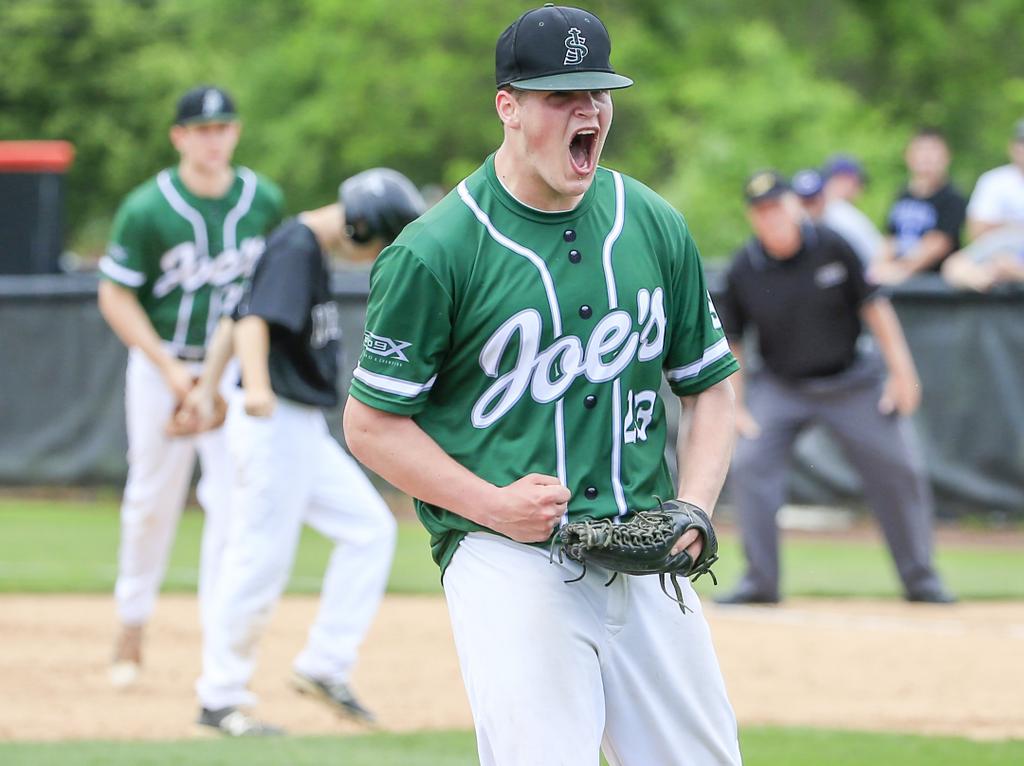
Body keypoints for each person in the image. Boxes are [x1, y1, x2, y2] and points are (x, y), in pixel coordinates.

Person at [343, 6, 743, 765]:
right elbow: (371, 425)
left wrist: (694, 503)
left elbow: (711, 384)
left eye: (598, 92)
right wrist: (492, 505)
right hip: (508, 556)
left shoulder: (652, 222)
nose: (587, 109)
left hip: (643, 551)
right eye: (562, 95)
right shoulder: (435, 252)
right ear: (509, 107)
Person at [179, 169, 426, 736]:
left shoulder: (300, 245)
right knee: (259, 557)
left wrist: (206, 389)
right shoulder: (296, 245)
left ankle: (325, 663)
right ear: (362, 224)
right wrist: (256, 388)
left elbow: (234, 313)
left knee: (369, 529)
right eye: (381, 240)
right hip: (275, 423)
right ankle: (219, 698)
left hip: (296, 428)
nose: (375, 254)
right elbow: (255, 324)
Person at [97, 85, 284, 688]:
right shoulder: (148, 208)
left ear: (236, 132)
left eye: (223, 127)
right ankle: (131, 623)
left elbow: (272, 290)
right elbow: (115, 293)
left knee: (233, 505)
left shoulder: (264, 201)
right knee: (152, 497)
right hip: (163, 366)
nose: (213, 137)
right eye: (201, 129)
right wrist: (171, 371)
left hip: (230, 370)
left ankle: (219, 649)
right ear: (179, 136)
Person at [715, 170, 955, 606]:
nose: (771, 217)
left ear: (794, 207)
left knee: (898, 467)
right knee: (750, 463)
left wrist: (903, 374)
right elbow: (734, 343)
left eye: (777, 206)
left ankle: (921, 579)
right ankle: (759, 582)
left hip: (851, 382)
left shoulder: (833, 245)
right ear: (753, 217)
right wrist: (739, 405)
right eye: (761, 211)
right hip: (782, 386)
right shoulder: (744, 267)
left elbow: (876, 308)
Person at [871, 128, 967, 284]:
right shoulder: (902, 194)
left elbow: (938, 244)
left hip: (934, 285)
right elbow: (890, 237)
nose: (927, 157)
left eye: (933, 150)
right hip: (896, 279)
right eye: (921, 150)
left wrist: (901, 270)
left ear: (946, 156)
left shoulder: (952, 197)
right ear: (908, 156)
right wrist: (880, 266)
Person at [964, 118, 1024, 242]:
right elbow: (976, 231)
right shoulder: (993, 180)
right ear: (1012, 147)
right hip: (997, 253)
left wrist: (1002, 226)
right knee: (957, 262)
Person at [821, 153, 885, 266]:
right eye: (858, 183)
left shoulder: (831, 210)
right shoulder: (840, 211)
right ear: (846, 180)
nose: (861, 188)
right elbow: (876, 256)